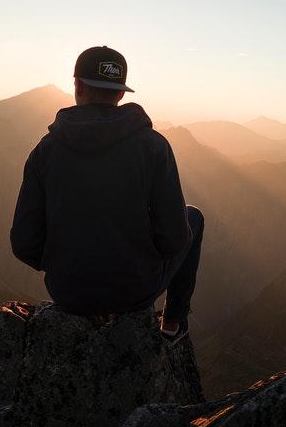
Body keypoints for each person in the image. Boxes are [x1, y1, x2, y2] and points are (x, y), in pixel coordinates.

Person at [10, 45, 204, 341]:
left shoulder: (44, 152)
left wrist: (67, 263)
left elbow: (24, 243)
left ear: (77, 85)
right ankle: (172, 324)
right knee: (194, 217)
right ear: (121, 93)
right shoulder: (153, 148)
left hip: (68, 293)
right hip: (134, 292)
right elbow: (175, 237)